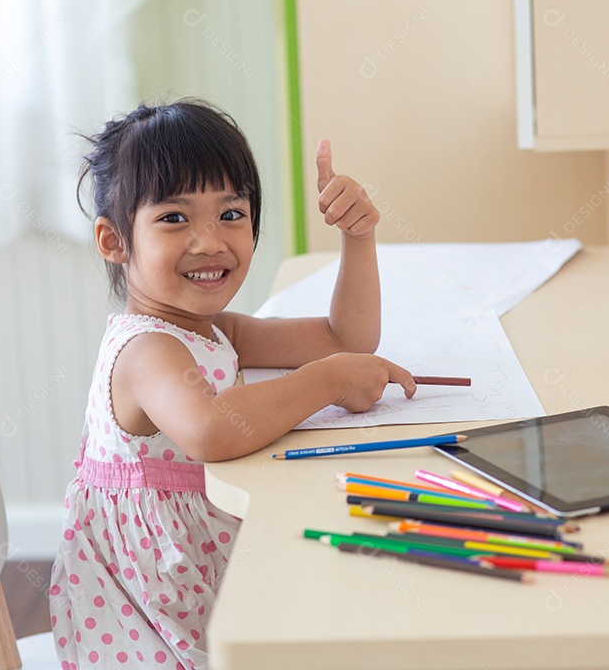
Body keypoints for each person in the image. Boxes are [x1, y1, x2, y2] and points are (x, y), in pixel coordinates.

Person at [49, 100, 416, 669]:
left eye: (231, 213)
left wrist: (358, 238)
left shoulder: (212, 329)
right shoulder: (147, 349)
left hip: (199, 567)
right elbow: (212, 429)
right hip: (149, 614)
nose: (209, 241)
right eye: (174, 218)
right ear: (114, 241)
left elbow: (345, 335)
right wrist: (328, 380)